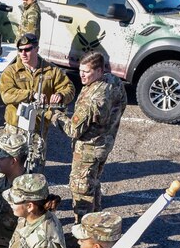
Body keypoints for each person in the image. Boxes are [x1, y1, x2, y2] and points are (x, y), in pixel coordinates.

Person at [52, 51, 125, 222]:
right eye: (80, 71)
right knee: (93, 181)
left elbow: (72, 130)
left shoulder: (92, 99)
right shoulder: (114, 82)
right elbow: (121, 105)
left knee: (81, 189)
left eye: (87, 72)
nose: (82, 75)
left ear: (99, 71)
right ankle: (97, 216)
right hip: (104, 143)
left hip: (88, 150)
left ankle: (84, 229)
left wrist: (54, 115)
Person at [0, 32, 75, 172]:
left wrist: (60, 95)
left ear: (37, 49)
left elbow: (69, 89)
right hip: (14, 127)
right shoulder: (11, 72)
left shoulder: (51, 71)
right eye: (20, 50)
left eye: (27, 49)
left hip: (38, 129)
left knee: (34, 168)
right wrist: (31, 95)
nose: (23, 54)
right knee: (8, 168)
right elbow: (6, 95)